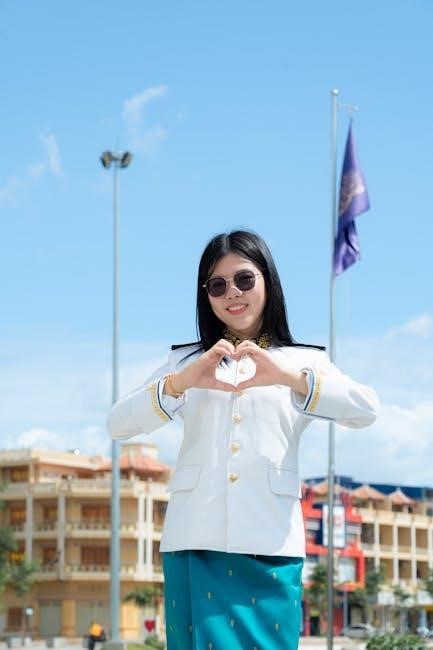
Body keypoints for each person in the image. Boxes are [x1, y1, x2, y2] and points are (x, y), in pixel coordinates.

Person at [107, 230, 379, 650]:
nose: (232, 293)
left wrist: (290, 378)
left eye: (244, 279)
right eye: (217, 285)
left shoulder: (304, 360)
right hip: (193, 538)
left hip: (270, 541)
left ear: (268, 280)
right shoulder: (185, 361)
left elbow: (366, 409)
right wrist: (179, 383)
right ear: (206, 295)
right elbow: (118, 424)